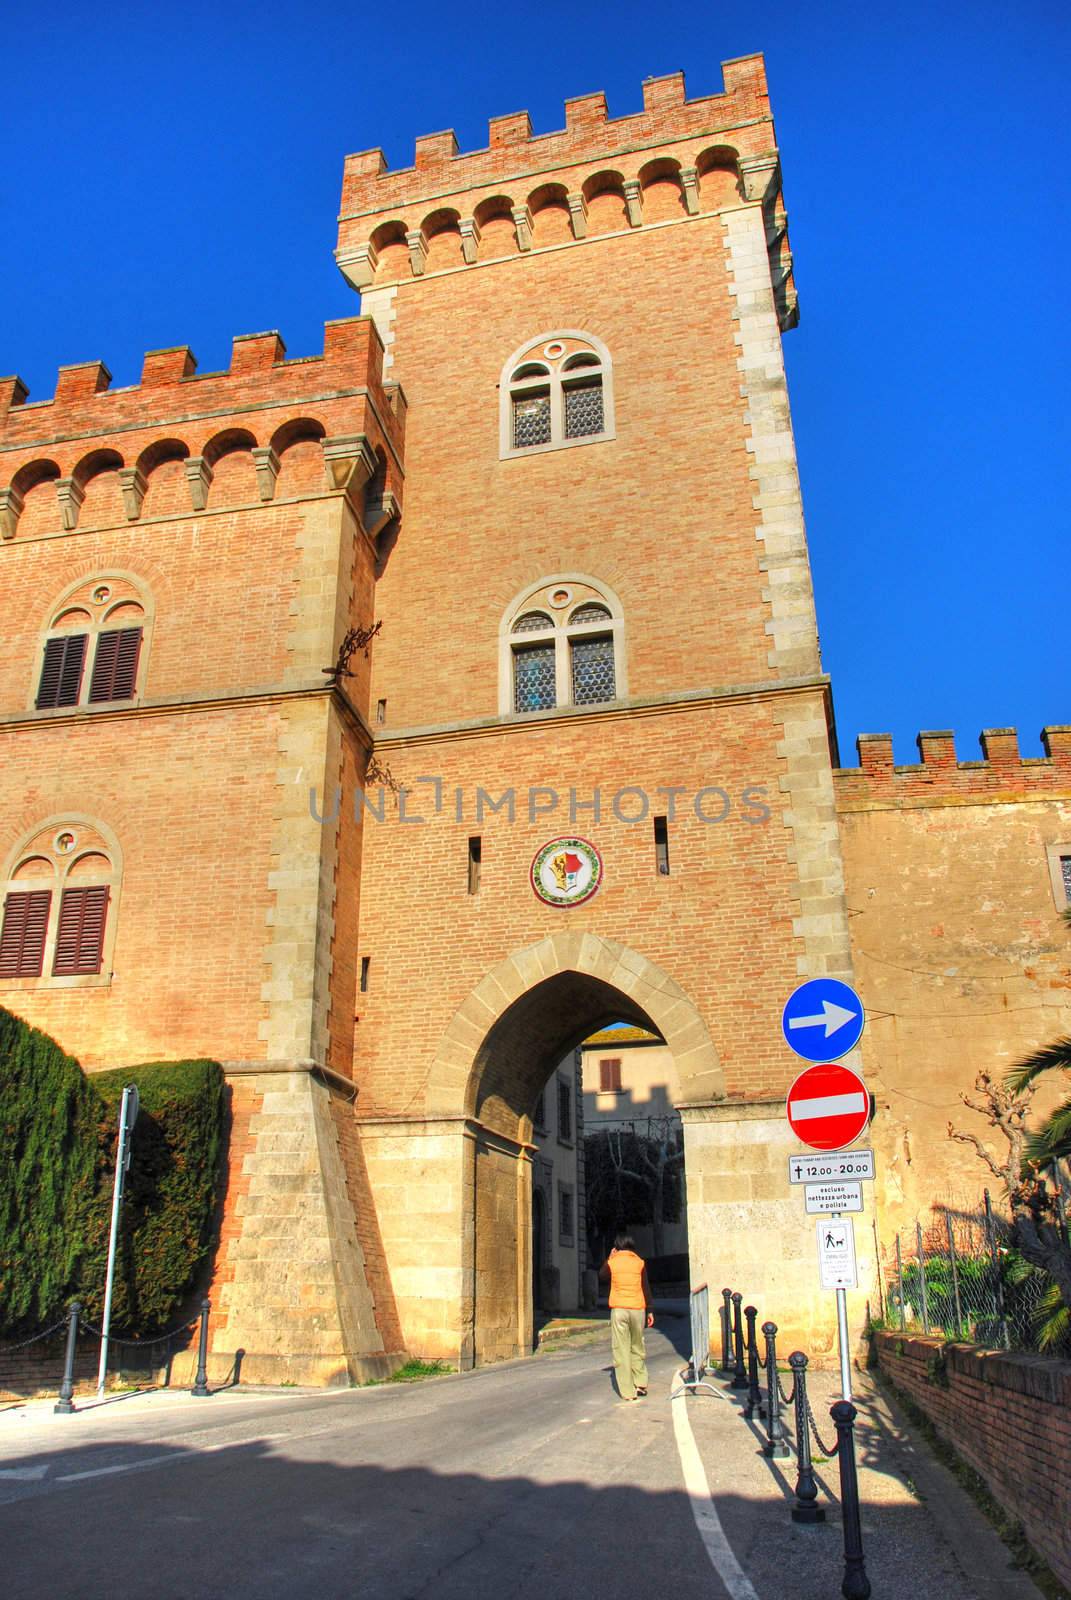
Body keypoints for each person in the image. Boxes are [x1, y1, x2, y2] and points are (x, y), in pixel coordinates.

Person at [600, 1231, 654, 1402]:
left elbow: (601, 1276)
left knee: (621, 1350)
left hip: (619, 1309)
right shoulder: (639, 1263)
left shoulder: (613, 1262)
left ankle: (628, 1392)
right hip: (638, 1308)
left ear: (617, 1246)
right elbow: (645, 1287)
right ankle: (641, 1383)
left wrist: (609, 1258)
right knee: (637, 1345)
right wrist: (650, 1310)